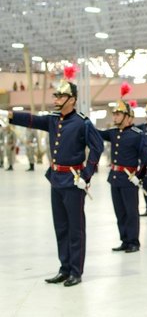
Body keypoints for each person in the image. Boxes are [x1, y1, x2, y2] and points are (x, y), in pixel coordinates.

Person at [0, 66, 104, 287]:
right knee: (61, 228)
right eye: (56, 95)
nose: (56, 98)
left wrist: (87, 175)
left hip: (74, 181)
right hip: (56, 180)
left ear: (72, 100)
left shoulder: (83, 122)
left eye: (61, 95)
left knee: (76, 229)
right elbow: (32, 120)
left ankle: (76, 271)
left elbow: (97, 148)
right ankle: (64, 268)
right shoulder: (53, 119)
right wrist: (8, 115)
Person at [98, 89, 147, 253]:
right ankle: (125, 240)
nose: (115, 117)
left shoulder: (137, 135)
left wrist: (139, 177)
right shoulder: (113, 133)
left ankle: (134, 242)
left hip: (129, 179)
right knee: (120, 212)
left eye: (118, 114)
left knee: (131, 212)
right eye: (114, 114)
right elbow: (97, 134)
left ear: (128, 117)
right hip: (115, 178)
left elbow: (146, 159)